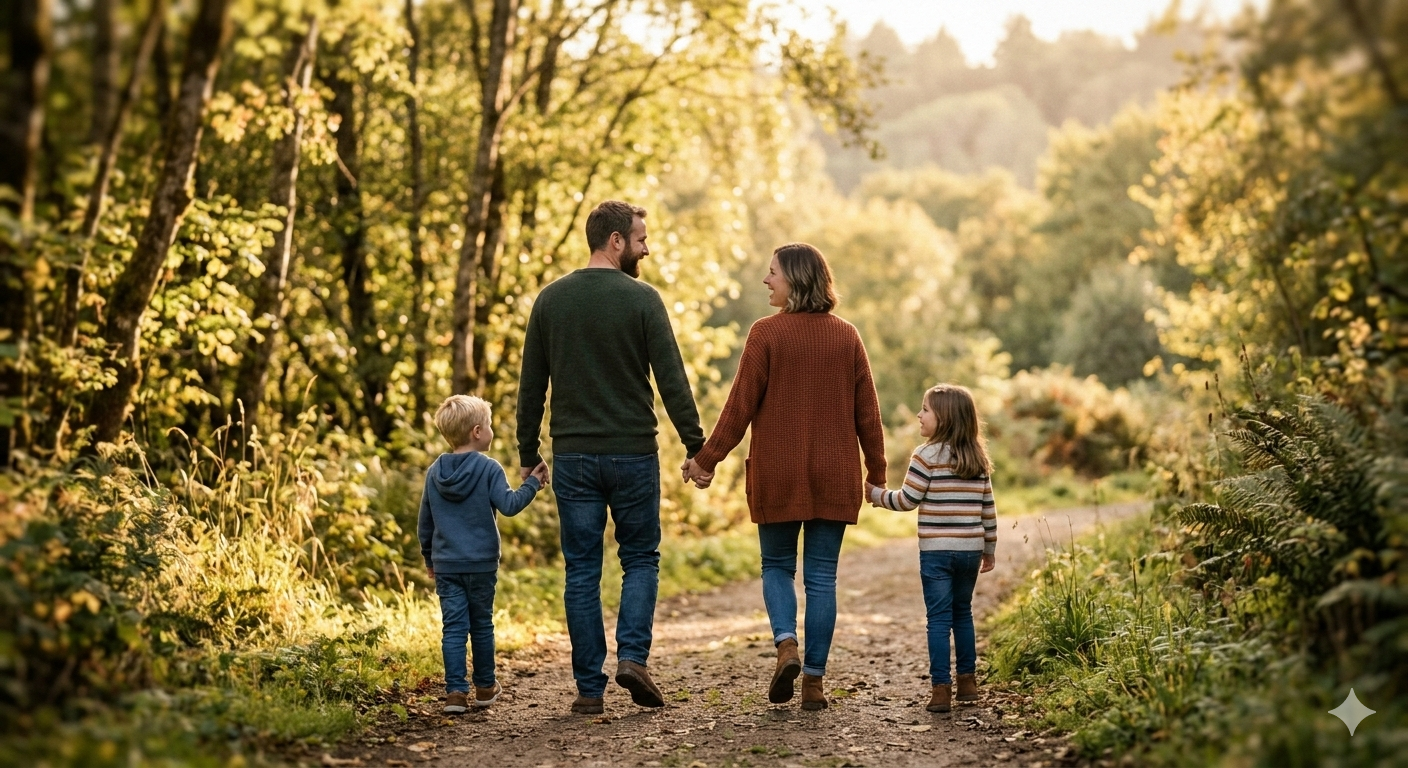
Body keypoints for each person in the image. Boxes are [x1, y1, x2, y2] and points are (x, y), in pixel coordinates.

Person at [516, 200, 707, 715]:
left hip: (574, 456)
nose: (647, 248)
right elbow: (672, 380)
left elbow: (531, 385)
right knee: (640, 557)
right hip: (633, 454)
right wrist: (697, 448)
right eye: (641, 239)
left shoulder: (551, 300)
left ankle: (588, 690)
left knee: (581, 569)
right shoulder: (643, 299)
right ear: (616, 240)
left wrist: (528, 452)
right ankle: (633, 659)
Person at [684, 242, 887, 711]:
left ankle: (786, 645)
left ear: (795, 279)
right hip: (835, 472)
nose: (766, 280)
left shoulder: (766, 333)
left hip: (777, 469)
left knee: (776, 566)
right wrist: (875, 475)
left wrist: (706, 460)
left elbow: (739, 407)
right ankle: (813, 683)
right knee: (822, 578)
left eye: (772, 272)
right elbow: (869, 415)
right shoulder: (847, 336)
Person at [865, 383, 998, 713]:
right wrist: (989, 548)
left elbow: (907, 499)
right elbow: (988, 509)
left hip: (936, 552)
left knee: (938, 619)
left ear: (945, 417)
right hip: (970, 550)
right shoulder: (978, 459)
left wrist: (876, 496)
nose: (919, 415)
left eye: (925, 410)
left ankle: (941, 690)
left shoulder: (924, 456)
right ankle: (967, 684)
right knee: (963, 613)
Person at [419, 395, 547, 713]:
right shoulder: (489, 468)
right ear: (477, 432)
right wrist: (533, 483)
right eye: (488, 425)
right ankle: (485, 687)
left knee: (453, 628)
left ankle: (455, 693)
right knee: (481, 625)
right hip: (481, 564)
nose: (491, 430)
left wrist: (429, 559)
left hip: (447, 565)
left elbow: (425, 521)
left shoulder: (435, 472)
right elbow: (510, 505)